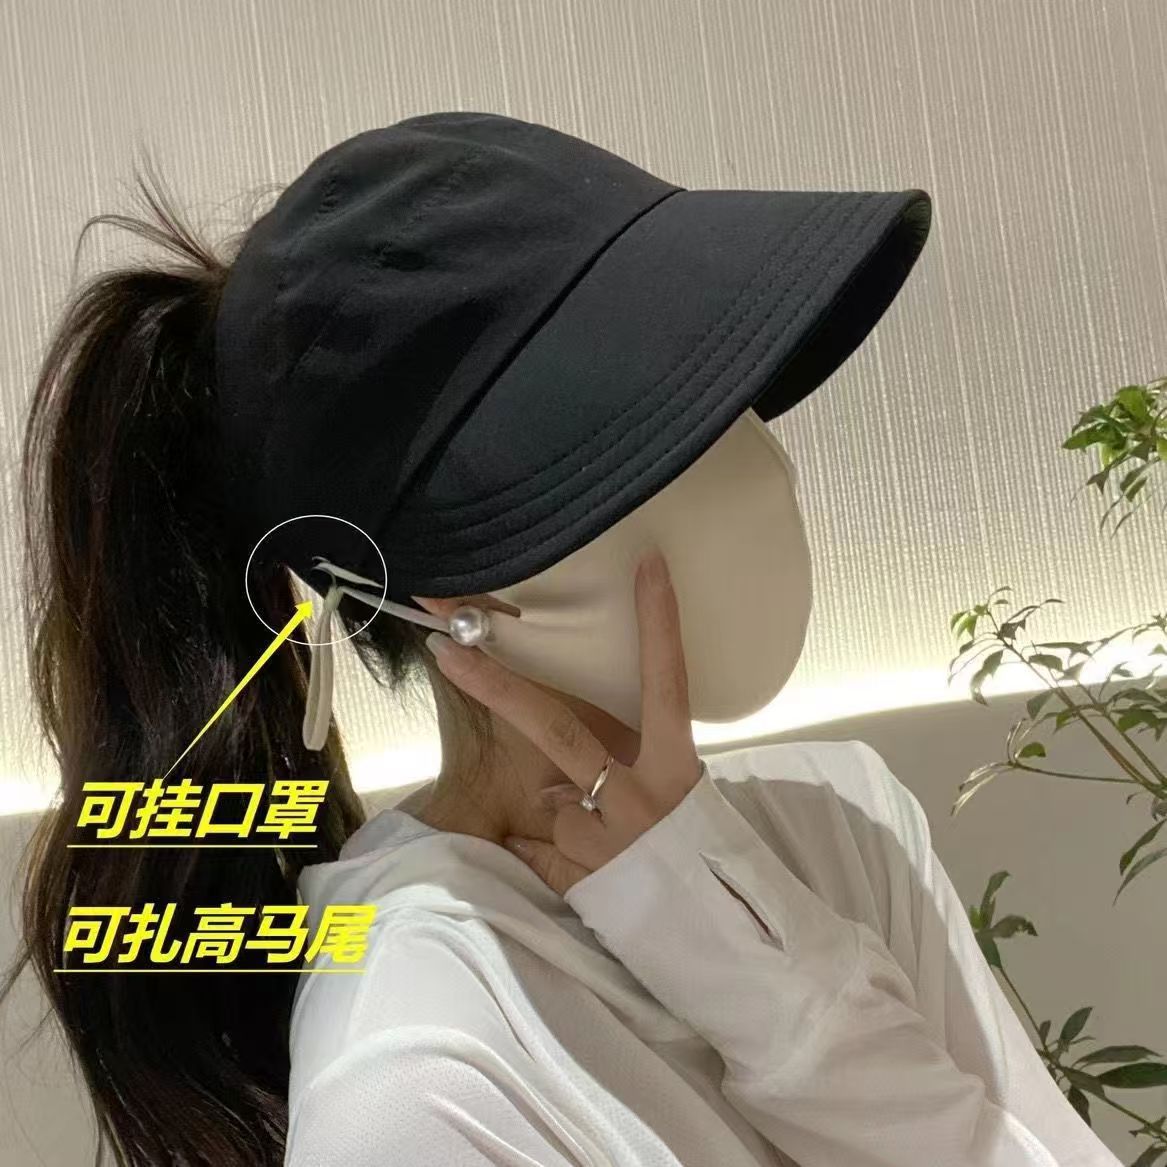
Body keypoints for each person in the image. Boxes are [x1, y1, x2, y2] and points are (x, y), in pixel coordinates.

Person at [3, 112, 1119, 1167]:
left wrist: (768, 985)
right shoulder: (419, 1078)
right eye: (645, 435)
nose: (752, 467)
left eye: (722, 393)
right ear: (442, 600)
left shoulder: (844, 823)